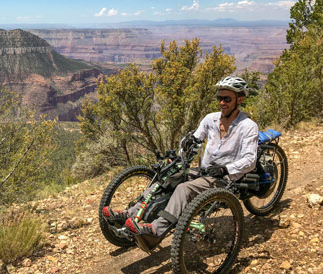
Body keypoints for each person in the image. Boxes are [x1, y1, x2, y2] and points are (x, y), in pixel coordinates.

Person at [102, 76, 259, 237]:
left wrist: (225, 169)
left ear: (239, 99)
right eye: (220, 98)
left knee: (184, 188)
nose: (222, 103)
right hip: (203, 172)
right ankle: (130, 213)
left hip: (225, 178)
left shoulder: (248, 126)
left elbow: (249, 161)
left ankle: (157, 229)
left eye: (227, 99)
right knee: (167, 178)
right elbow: (194, 140)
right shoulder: (210, 119)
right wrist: (182, 151)